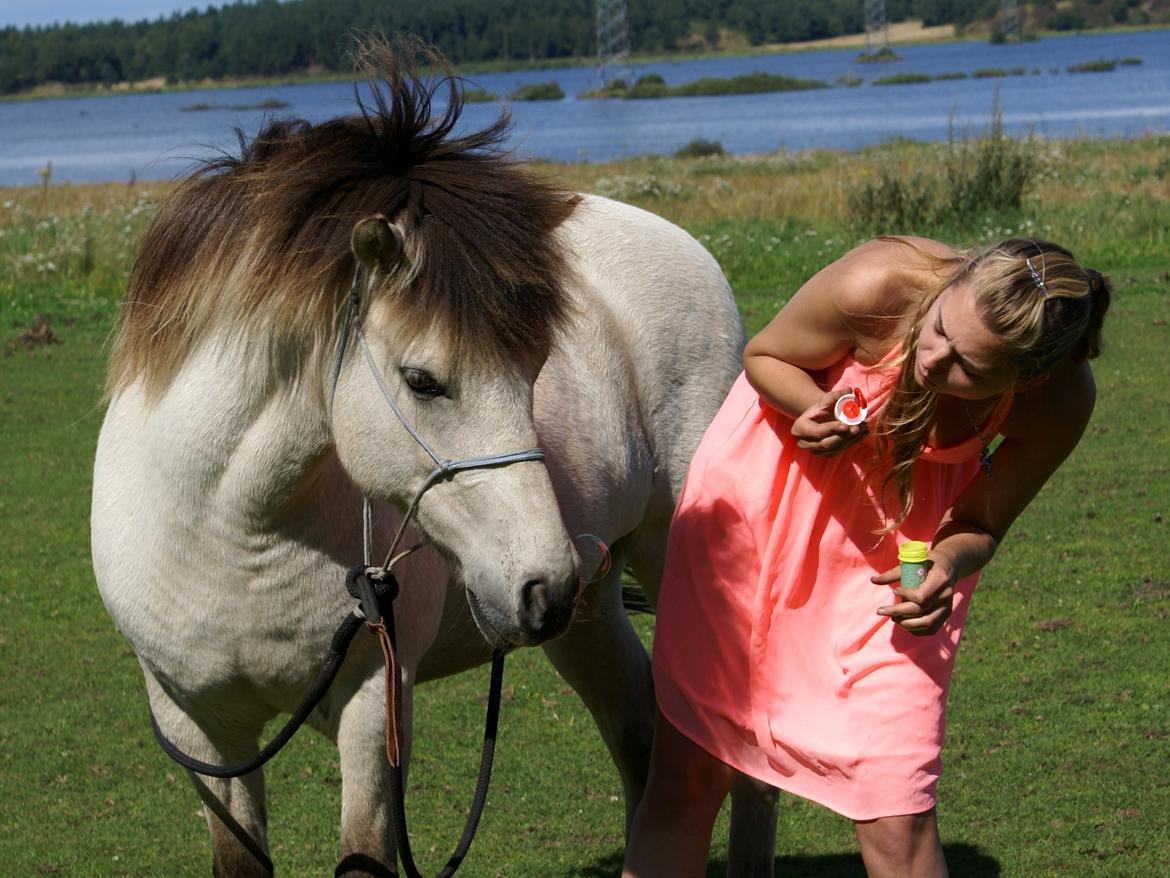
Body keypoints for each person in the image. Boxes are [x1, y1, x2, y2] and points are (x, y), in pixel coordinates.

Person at [621, 235, 1110, 878]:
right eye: (938, 329)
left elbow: (980, 522)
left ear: (1029, 377)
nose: (933, 360)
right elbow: (765, 355)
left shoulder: (1059, 402)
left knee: (897, 806)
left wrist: (948, 566)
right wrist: (808, 406)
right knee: (689, 775)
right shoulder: (881, 284)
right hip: (763, 510)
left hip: (895, 557)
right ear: (952, 285)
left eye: (969, 366)